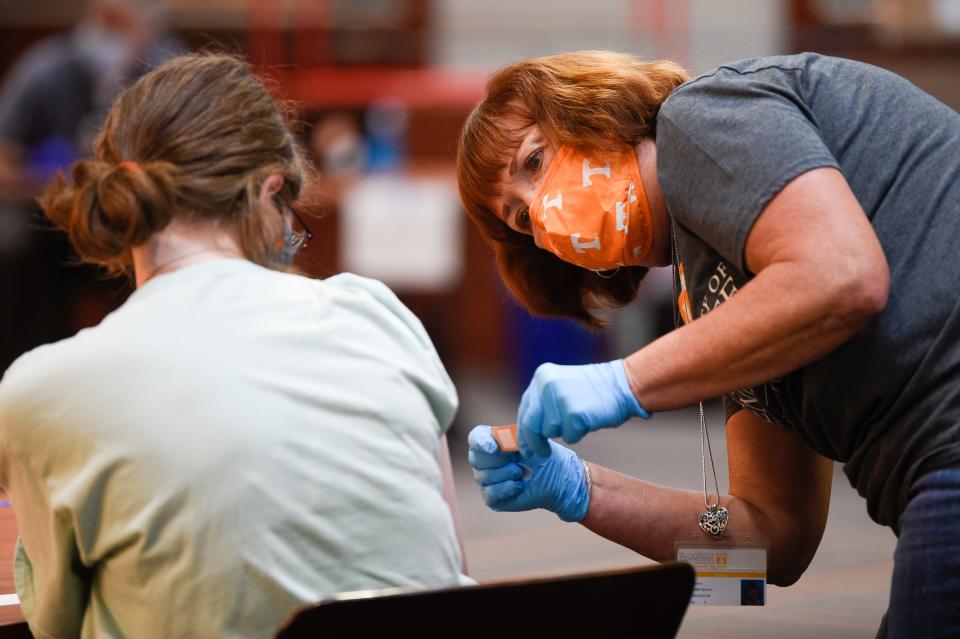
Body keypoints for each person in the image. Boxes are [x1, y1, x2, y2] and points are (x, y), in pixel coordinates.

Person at [457, 50, 960, 639]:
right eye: (520, 220)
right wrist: (579, 491)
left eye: (535, 161)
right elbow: (770, 556)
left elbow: (845, 276)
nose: (541, 212)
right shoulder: (711, 298)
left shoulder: (701, 115)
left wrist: (624, 381)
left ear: (590, 108)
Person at [0, 53, 470, 639]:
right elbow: (447, 570)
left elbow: (53, 620)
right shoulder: (375, 315)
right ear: (271, 190)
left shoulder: (42, 389)